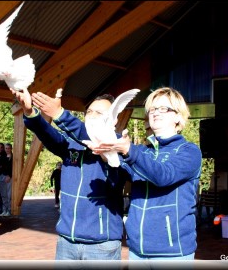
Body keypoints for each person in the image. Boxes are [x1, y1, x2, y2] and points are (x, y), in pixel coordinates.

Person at [84, 87, 202, 260]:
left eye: (164, 109)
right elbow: (117, 176)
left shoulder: (189, 151)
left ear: (178, 116)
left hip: (172, 253)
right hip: (137, 251)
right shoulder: (142, 151)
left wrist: (128, 150)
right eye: (152, 109)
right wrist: (106, 155)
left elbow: (163, 175)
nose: (155, 113)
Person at [12, 88, 128, 260]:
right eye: (89, 111)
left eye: (99, 112)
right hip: (67, 243)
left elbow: (116, 177)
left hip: (102, 245)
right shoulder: (72, 144)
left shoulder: (120, 147)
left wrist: (59, 113)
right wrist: (30, 112)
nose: (93, 115)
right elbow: (48, 134)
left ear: (113, 118)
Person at [0, 143, 12, 217]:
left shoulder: (13, 158)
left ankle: (9, 210)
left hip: (9, 178)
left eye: (8, 148)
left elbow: (13, 168)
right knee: (3, 195)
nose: (7, 150)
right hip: (1, 177)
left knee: (9, 195)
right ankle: (4, 210)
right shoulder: (2, 157)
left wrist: (9, 175)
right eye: (6, 148)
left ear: (11, 149)